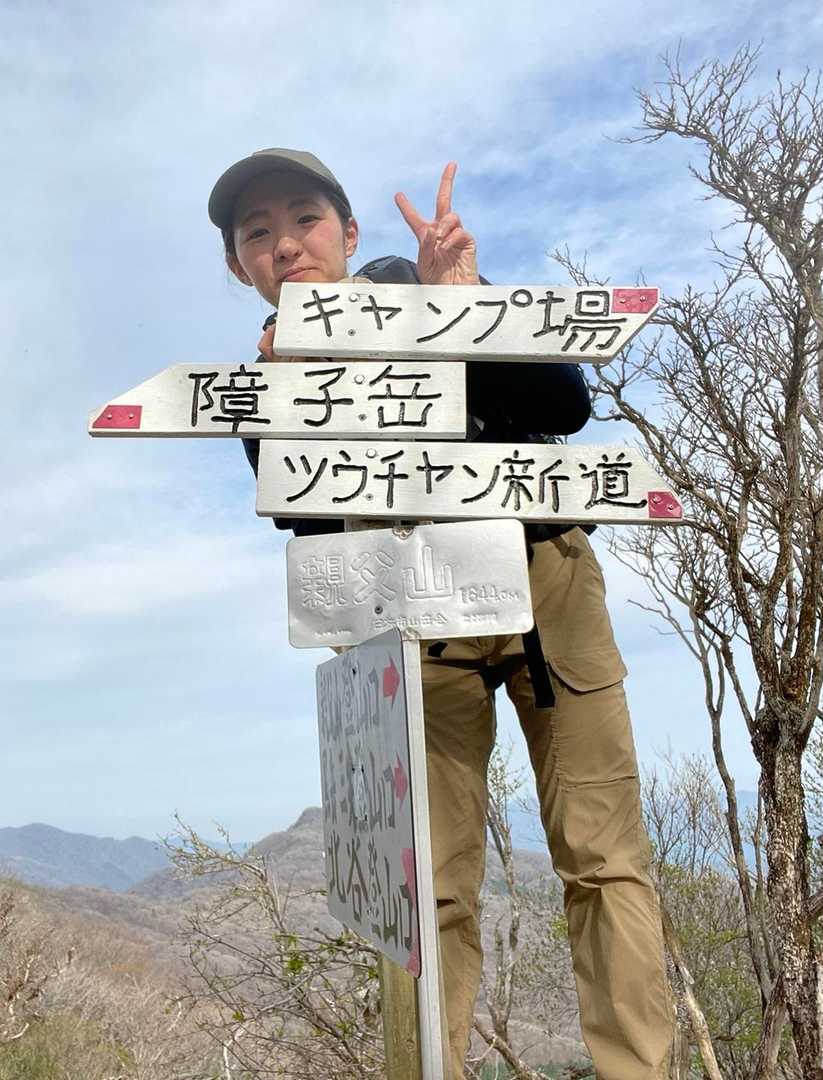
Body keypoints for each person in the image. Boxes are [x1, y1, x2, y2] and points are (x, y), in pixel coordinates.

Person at [209, 147, 674, 1078]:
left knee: (603, 859)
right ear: (239, 265)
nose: (284, 245)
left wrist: (460, 305)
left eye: (303, 219)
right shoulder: (259, 377)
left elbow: (564, 404)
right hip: (408, 614)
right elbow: (301, 513)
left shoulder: (419, 284)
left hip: (544, 582)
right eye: (257, 233)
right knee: (424, 884)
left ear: (349, 234)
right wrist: (296, 389)